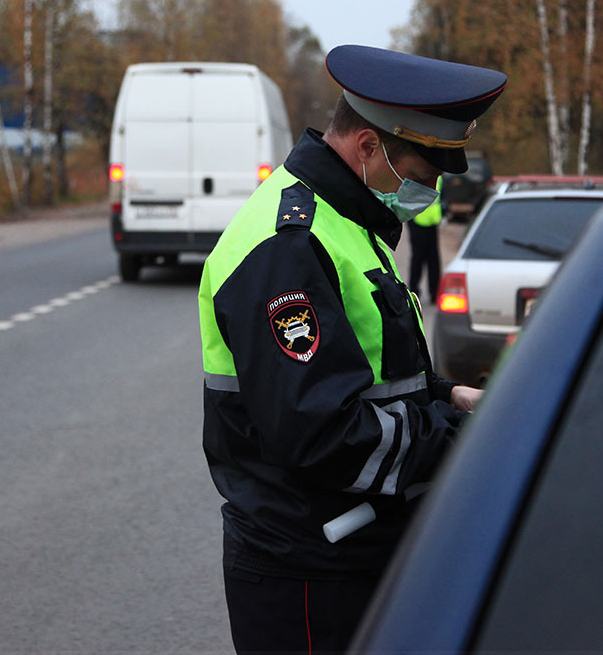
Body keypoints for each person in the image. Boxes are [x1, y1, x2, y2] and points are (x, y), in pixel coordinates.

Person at [199, 44, 506, 653]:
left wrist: (451, 395)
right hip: (309, 571)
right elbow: (321, 434)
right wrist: (464, 440)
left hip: (347, 549)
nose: (426, 192)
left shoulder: (345, 218)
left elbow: (367, 370)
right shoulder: (289, 246)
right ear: (370, 147)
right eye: (421, 175)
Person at [406, 175, 444, 303]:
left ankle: (435, 292)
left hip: (432, 220)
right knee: (418, 257)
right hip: (418, 220)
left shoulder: (437, 173)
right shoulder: (419, 170)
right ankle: (414, 292)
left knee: (433, 258)